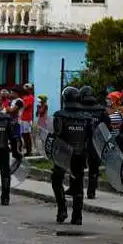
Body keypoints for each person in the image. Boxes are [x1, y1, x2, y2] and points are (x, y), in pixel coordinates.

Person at [50, 87, 91, 225]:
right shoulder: (87, 117)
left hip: (63, 154)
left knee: (56, 180)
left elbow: (57, 134)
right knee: (78, 184)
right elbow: (91, 138)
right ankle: (77, 216)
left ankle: (62, 209)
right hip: (80, 156)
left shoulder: (60, 115)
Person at [76, 86, 111, 199]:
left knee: (78, 167)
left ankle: (78, 190)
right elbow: (107, 128)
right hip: (96, 143)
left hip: (81, 142)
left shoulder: (79, 109)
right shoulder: (101, 110)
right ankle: (91, 192)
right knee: (94, 168)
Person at [20, 84, 35, 155]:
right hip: (22, 118)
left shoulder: (31, 97)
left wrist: (19, 105)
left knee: (27, 135)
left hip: (27, 119)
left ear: (30, 90)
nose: (25, 90)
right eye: (24, 88)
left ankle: (29, 151)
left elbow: (25, 106)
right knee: (23, 134)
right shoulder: (24, 97)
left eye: (27, 88)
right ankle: (27, 149)